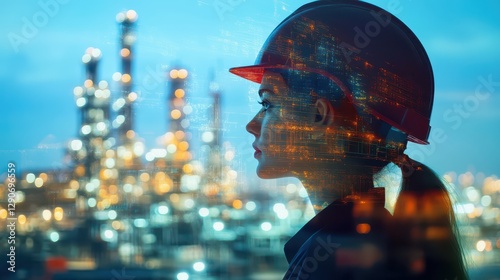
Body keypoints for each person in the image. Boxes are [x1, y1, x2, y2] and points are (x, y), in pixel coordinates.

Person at [230, 0, 468, 279]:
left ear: (320, 116)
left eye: (268, 103)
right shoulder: (371, 241)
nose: (251, 125)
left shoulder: (331, 260)